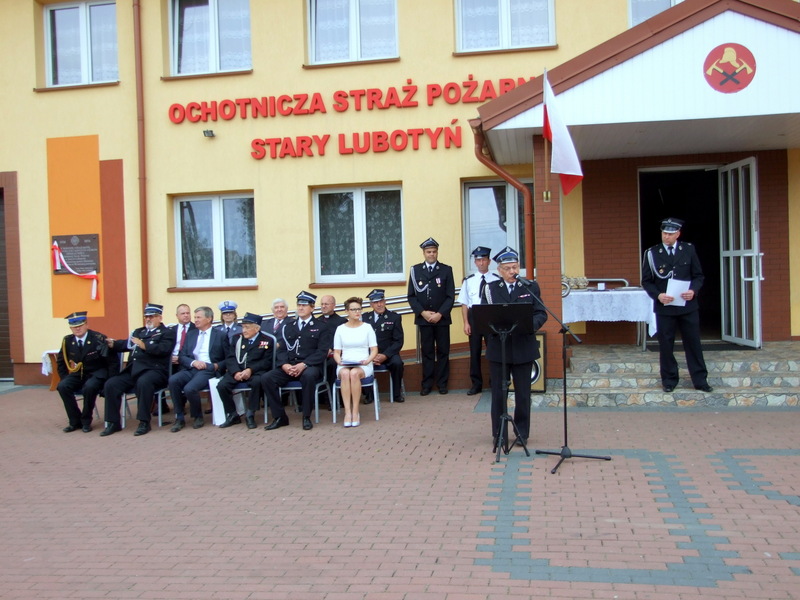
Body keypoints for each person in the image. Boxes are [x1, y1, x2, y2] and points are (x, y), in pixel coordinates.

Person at [481, 247, 547, 445]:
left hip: (523, 347)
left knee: (523, 394)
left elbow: (540, 313)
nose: (513, 272)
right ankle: (499, 434)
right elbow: (483, 317)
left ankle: (522, 433)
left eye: (515, 267)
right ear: (500, 270)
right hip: (499, 349)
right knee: (498, 394)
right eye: (508, 268)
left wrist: (529, 325)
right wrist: (494, 330)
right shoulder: (490, 289)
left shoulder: (530, 287)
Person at [642, 217, 713, 393]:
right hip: (665, 307)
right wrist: (658, 295)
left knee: (693, 343)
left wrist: (693, 290)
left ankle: (700, 380)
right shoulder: (652, 253)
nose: (666, 236)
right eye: (664, 233)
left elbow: (698, 276)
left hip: (687, 306)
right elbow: (647, 281)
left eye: (670, 234)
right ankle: (669, 380)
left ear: (678, 234)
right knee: (666, 345)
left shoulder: (688, 249)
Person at [100, 303, 176, 437]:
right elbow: (127, 344)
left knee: (143, 382)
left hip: (154, 371)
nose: (148, 319)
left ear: (160, 317)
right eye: (146, 317)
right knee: (111, 384)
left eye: (152, 316)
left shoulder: (167, 333)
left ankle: (144, 422)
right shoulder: (138, 332)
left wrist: (144, 345)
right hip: (134, 370)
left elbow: (163, 349)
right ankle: (113, 423)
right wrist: (113, 344)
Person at [263, 291, 333, 431]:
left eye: (304, 305)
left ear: (312, 308)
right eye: (299, 305)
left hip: (310, 366)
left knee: (308, 377)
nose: (300, 308)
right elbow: (282, 349)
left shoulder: (321, 326)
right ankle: (280, 417)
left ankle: (306, 416)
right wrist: (285, 365)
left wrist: (304, 364)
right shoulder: (289, 326)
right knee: (267, 378)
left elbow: (322, 352)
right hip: (290, 366)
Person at [167, 306, 229, 432]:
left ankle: (197, 416)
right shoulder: (191, 334)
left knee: (189, 388)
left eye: (198, 317)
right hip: (192, 367)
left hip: (208, 369)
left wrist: (217, 366)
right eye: (195, 317)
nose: (195, 320)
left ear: (209, 319)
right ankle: (179, 417)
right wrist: (193, 362)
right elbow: (182, 356)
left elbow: (229, 358)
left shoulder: (220, 335)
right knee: (173, 380)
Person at [55, 311, 118, 433]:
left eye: (80, 325)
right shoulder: (67, 341)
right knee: (62, 386)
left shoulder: (98, 338)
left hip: (97, 373)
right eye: (74, 326)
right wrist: (64, 378)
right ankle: (74, 421)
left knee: (89, 387)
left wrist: (110, 381)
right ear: (70, 328)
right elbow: (61, 361)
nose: (77, 328)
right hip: (79, 373)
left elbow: (112, 362)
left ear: (86, 325)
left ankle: (86, 421)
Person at [407, 237, 455, 395]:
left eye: (434, 251)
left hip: (442, 319)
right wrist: (423, 313)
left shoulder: (446, 270)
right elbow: (411, 296)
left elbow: (450, 296)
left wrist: (440, 314)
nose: (431, 254)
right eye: (428, 252)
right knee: (427, 352)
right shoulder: (415, 270)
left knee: (443, 352)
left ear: (437, 252)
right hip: (424, 319)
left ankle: (442, 384)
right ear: (423, 253)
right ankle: (427, 384)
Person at [215, 312, 275, 429]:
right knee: (222, 386)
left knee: (257, 382)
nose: (244, 330)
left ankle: (250, 414)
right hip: (237, 370)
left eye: (247, 327)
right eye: (243, 327)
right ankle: (233, 414)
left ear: (257, 328)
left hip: (255, 371)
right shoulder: (237, 338)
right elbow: (230, 358)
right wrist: (236, 372)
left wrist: (250, 370)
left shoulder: (266, 340)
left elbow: (266, 361)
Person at [457, 246, 501, 396]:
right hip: (474, 317)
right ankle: (476, 384)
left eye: (484, 260)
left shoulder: (496, 280)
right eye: (478, 260)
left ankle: (494, 382)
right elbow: (464, 304)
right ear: (475, 262)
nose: (481, 263)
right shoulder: (469, 281)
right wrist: (466, 323)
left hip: (490, 317)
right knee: (474, 352)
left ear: (489, 261)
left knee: (493, 351)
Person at [333, 297, 378, 427]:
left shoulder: (367, 327)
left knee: (354, 374)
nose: (357, 312)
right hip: (345, 363)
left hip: (363, 363)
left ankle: (355, 411)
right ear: (347, 311)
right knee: (345, 374)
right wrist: (339, 361)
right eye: (353, 309)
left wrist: (367, 360)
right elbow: (337, 352)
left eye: (359, 309)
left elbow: (374, 350)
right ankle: (347, 412)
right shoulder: (340, 329)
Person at [362, 288, 405, 403]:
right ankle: (368, 395)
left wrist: (385, 355)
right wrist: (372, 356)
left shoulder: (394, 317)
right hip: (370, 354)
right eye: (376, 302)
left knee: (397, 363)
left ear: (385, 301)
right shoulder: (365, 318)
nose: (379, 304)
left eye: (381, 301)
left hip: (388, 353)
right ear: (371, 304)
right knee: (362, 363)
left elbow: (398, 341)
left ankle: (396, 394)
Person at [318, 294, 346, 405]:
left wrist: (332, 349)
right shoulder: (317, 321)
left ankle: (332, 400)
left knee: (332, 364)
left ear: (333, 306)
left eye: (326, 304)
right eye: (322, 304)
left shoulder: (341, 321)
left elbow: (343, 340)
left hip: (335, 354)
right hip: (320, 354)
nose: (323, 306)